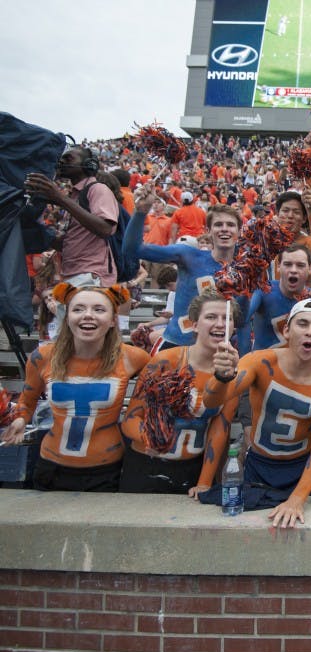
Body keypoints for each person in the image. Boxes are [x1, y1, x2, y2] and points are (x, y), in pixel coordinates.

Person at [198, 299, 311, 528]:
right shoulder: (261, 361)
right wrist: (221, 377)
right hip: (258, 465)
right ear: (287, 330)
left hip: (302, 469)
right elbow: (211, 401)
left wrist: (298, 499)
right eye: (302, 324)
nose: (309, 332)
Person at [1, 283, 150, 491]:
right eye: (78, 309)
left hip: (106, 470)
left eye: (99, 309)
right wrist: (20, 419)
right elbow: (28, 399)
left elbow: (153, 396)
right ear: (67, 317)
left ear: (112, 320)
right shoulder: (42, 357)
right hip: (51, 467)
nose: (88, 315)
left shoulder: (134, 358)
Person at [119, 290, 240, 493]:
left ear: (233, 327)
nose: (220, 324)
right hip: (146, 464)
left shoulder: (234, 374)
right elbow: (131, 418)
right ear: (194, 324)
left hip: (191, 470)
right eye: (211, 317)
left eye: (227, 318)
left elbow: (219, 432)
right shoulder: (165, 361)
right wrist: (148, 437)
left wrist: (204, 482)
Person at [124, 189, 244, 351]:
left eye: (230, 225)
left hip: (217, 352)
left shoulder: (245, 270)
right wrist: (141, 212)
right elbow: (133, 249)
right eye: (218, 225)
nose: (224, 229)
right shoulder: (188, 255)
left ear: (239, 231)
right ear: (208, 231)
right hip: (175, 345)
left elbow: (242, 319)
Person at [24, 147, 119, 286]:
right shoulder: (74, 196)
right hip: (72, 274)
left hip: (91, 274)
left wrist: (59, 198)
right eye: (61, 158)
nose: (62, 161)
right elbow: (70, 242)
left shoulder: (97, 189)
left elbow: (105, 228)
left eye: (68, 158)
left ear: (88, 164)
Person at [242, 244, 311, 351]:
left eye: (300, 265)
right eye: (288, 264)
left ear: (310, 269)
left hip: (297, 365)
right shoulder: (264, 290)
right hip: (261, 364)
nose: (293, 270)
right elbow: (242, 319)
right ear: (278, 266)